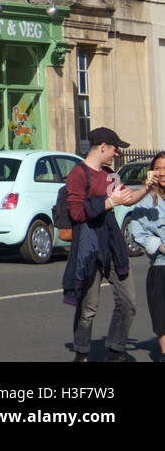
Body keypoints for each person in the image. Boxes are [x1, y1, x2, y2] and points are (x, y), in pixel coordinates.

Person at [62, 127, 152, 361]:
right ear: (102, 146)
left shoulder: (109, 174)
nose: (116, 154)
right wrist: (109, 202)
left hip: (113, 244)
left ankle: (114, 351)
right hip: (89, 246)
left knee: (128, 302)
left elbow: (127, 198)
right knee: (88, 308)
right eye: (114, 149)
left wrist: (145, 188)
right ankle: (81, 354)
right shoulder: (78, 174)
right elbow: (77, 213)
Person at [125, 152, 165, 361]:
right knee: (161, 320)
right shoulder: (148, 200)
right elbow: (136, 230)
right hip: (161, 267)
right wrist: (158, 246)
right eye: (157, 168)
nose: (161, 173)